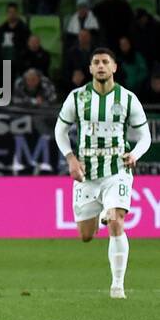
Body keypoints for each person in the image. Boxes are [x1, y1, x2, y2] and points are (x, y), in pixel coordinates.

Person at [55, 48, 151, 297]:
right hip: (86, 171)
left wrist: (135, 155)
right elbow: (60, 131)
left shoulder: (128, 99)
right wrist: (71, 159)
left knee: (117, 221)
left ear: (114, 68)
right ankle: (100, 214)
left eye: (105, 62)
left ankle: (117, 285)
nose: (100, 66)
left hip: (117, 168)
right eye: (96, 62)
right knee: (86, 235)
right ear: (90, 68)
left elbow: (145, 136)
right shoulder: (77, 97)